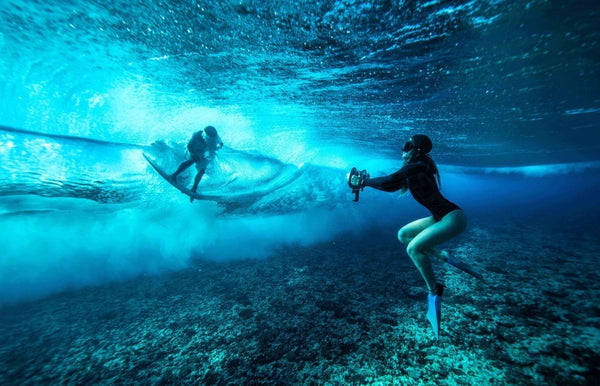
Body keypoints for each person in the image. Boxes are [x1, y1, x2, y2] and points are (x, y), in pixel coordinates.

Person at [349, 134, 468, 340]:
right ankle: (444, 256)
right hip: (440, 217)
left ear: (417, 150)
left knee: (413, 249)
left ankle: (434, 291)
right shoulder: (416, 167)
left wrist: (364, 181)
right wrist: (365, 183)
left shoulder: (419, 165)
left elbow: (390, 180)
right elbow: (391, 185)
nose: (402, 150)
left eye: (407, 146)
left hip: (452, 218)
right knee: (404, 235)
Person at [170, 125, 223, 202]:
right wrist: (195, 155)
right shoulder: (196, 136)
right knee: (192, 160)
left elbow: (217, 144)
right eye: (209, 138)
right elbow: (189, 147)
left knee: (202, 170)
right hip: (192, 150)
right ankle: (174, 175)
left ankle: (194, 188)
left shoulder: (214, 137)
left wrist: (220, 145)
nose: (211, 140)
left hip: (204, 152)